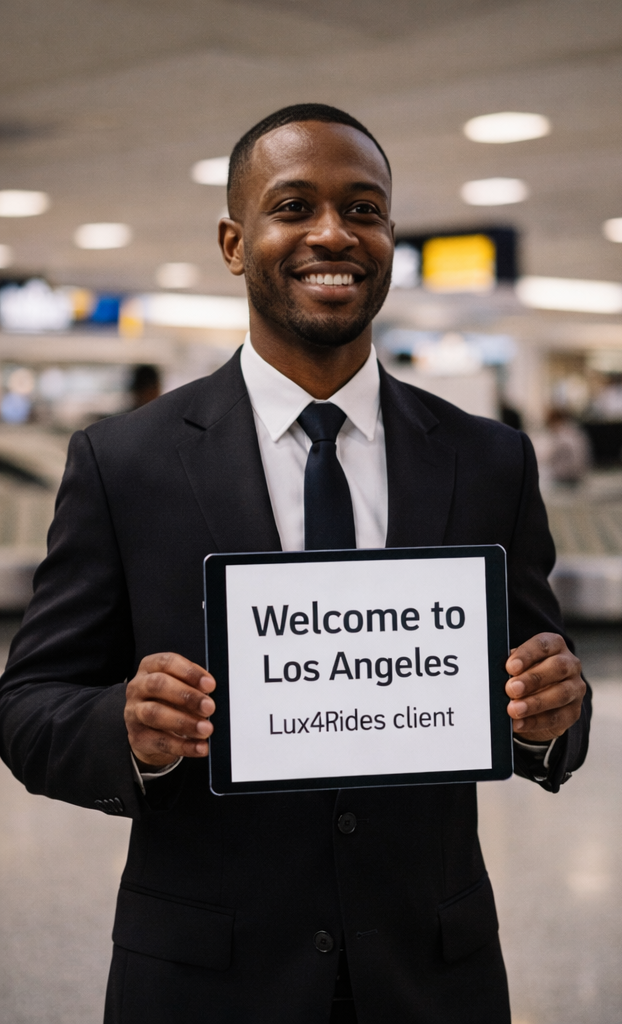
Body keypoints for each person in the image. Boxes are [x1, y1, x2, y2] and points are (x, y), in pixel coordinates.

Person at [0, 104, 591, 1023]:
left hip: (432, 976)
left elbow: (538, 692)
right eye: (294, 206)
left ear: (390, 236)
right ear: (236, 244)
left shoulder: (486, 459)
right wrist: (126, 726)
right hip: (206, 978)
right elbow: (30, 706)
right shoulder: (128, 463)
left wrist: (552, 716)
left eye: (364, 208)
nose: (334, 233)